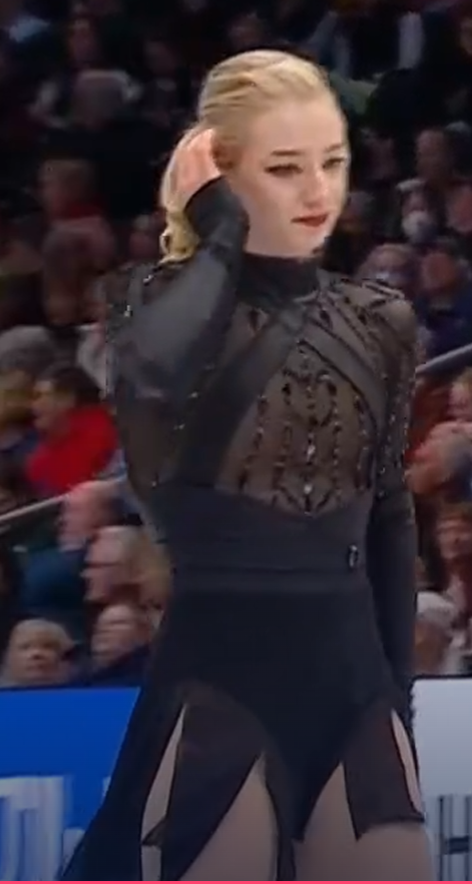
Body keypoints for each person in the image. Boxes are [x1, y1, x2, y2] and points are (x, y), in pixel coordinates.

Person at [61, 49, 434, 881]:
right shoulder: (150, 304)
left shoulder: (380, 319)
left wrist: (398, 708)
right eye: (284, 167)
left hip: (353, 678)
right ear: (221, 175)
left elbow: (388, 517)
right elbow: (151, 378)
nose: (317, 191)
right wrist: (222, 233)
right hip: (219, 679)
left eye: (332, 162)